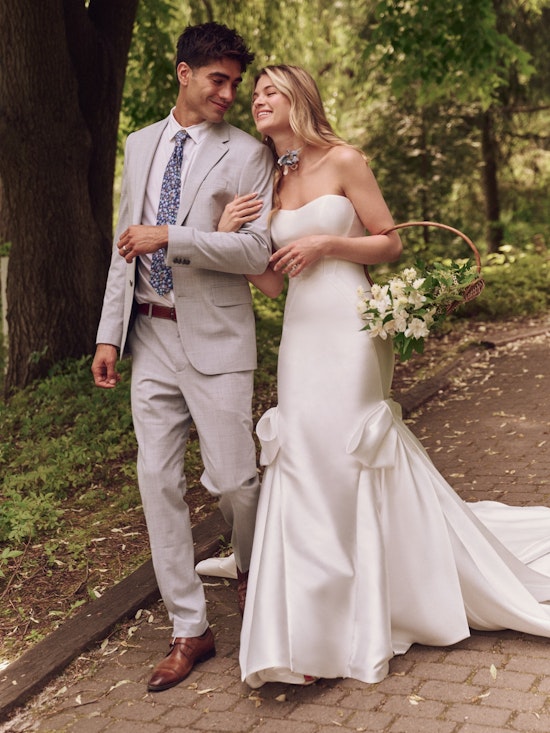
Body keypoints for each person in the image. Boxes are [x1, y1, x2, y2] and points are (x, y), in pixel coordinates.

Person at [198, 64, 550, 688]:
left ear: (299, 100)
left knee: (353, 450)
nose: (257, 100)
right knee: (303, 457)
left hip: (351, 327)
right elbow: (276, 282)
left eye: (270, 91)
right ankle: (313, 630)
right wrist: (226, 242)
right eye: (254, 94)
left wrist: (329, 246)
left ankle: (383, 598)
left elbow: (390, 243)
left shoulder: (343, 160)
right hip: (303, 334)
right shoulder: (268, 182)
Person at [91, 23, 274, 693]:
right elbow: (125, 243)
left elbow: (256, 253)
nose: (228, 92)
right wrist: (109, 335)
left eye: (233, 80)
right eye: (216, 79)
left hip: (219, 336)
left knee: (234, 481)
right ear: (183, 74)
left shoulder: (248, 154)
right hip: (151, 339)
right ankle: (189, 627)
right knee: (156, 481)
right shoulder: (140, 144)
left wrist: (177, 235)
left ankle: (256, 575)